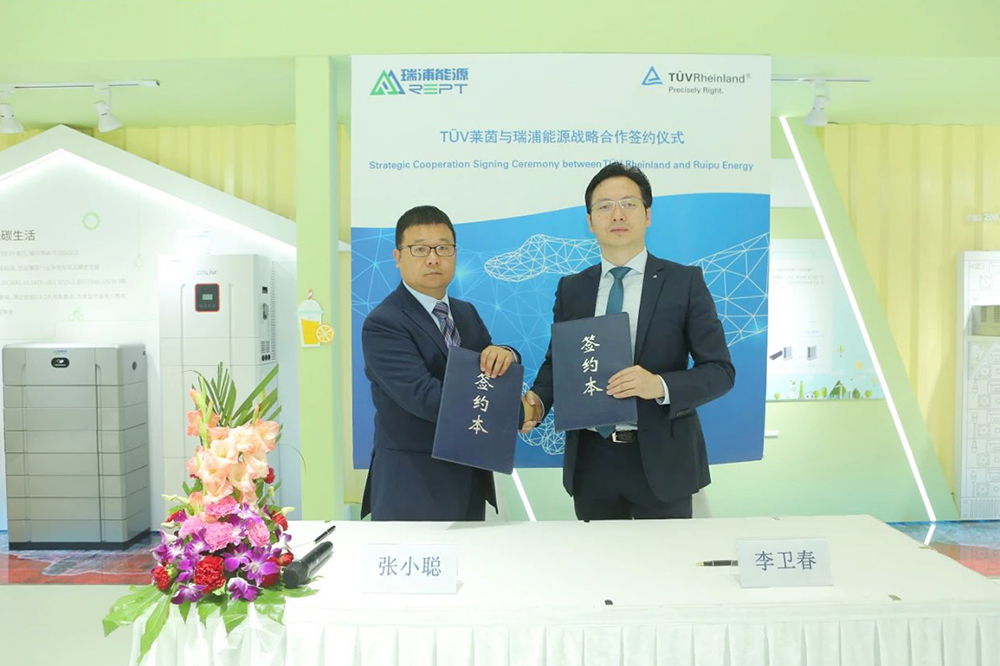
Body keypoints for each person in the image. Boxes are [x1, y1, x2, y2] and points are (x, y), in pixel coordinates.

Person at [521, 163, 734, 520]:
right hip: (592, 461)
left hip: (663, 461)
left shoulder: (684, 282)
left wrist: (659, 385)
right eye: (604, 206)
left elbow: (720, 371)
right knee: (598, 557)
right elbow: (560, 364)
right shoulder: (572, 288)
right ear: (590, 221)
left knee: (665, 557)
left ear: (647, 215)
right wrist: (537, 405)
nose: (617, 214)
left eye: (629, 204)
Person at [361, 205, 518, 521]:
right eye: (420, 249)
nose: (433, 258)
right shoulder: (384, 322)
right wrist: (518, 413)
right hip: (414, 484)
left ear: (455, 254)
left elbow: (488, 369)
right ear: (398, 257)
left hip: (470, 474)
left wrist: (508, 353)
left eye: (443, 248)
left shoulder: (465, 312)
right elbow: (425, 397)